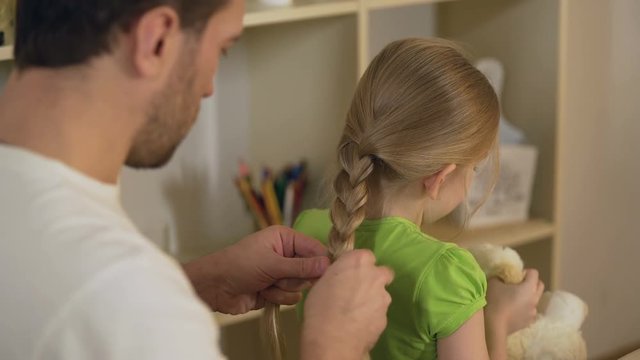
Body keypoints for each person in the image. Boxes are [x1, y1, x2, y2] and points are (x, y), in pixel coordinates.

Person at [0, 1, 393, 359]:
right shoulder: (117, 293)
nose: (208, 88)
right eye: (222, 48)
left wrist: (191, 283)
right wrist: (334, 346)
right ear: (156, 40)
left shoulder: (102, 284)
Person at [293, 38, 544, 360]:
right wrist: (499, 321)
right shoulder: (447, 274)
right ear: (439, 177)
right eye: (475, 168)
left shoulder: (308, 231)